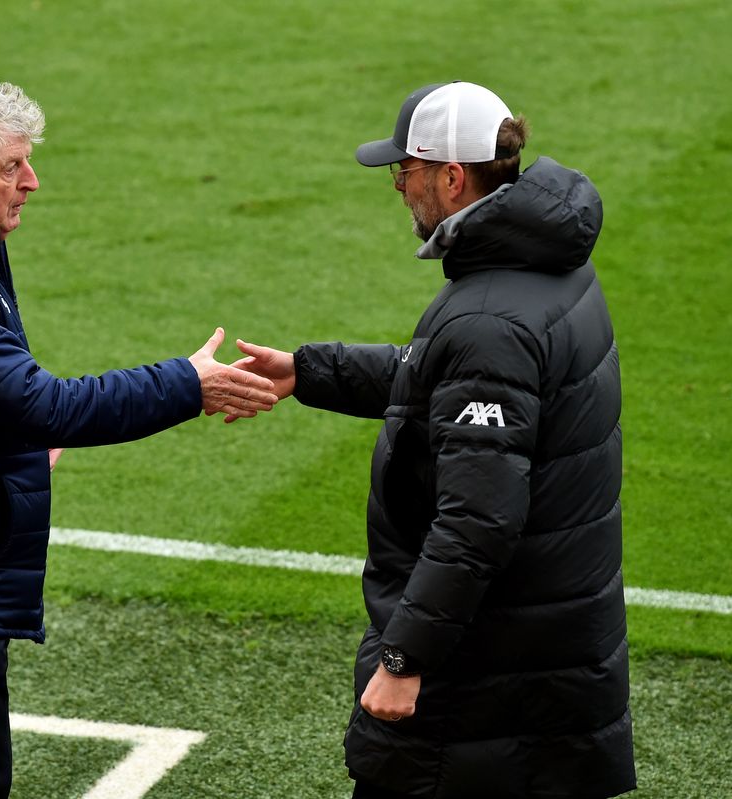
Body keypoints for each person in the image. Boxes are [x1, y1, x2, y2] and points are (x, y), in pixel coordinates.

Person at [0, 72, 277, 798]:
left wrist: (15, 438)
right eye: (11, 167)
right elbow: (42, 404)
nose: (32, 181)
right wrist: (190, 384)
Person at [232, 81, 635, 798]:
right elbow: (453, 385)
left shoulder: (487, 316)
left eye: (405, 170)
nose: (399, 187)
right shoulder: (550, 265)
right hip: (540, 660)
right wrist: (312, 371)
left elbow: (478, 519)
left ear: (451, 176)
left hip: (480, 688)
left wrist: (404, 657)